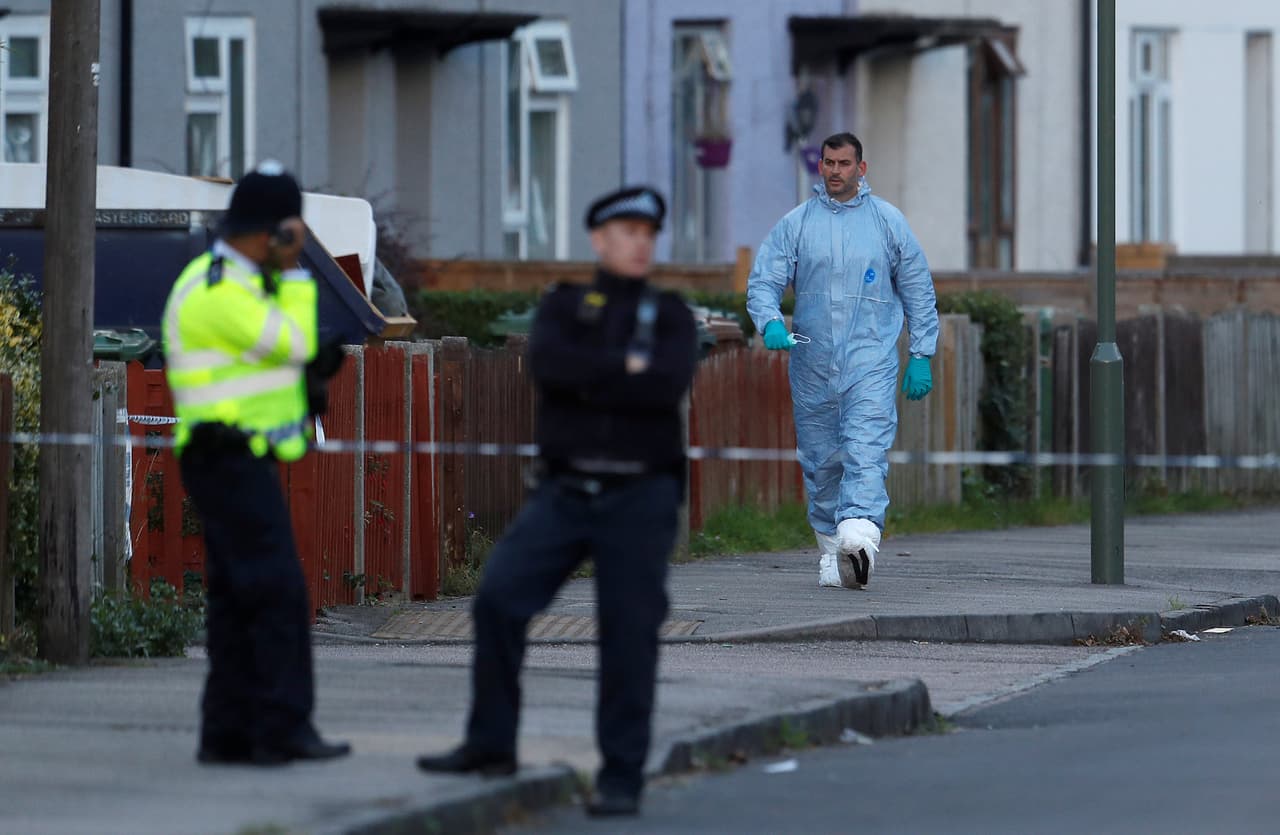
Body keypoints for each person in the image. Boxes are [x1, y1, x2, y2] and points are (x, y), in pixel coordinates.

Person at [416, 186, 697, 818]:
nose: (640, 242)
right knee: (497, 600)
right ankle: (491, 744)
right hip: (565, 492)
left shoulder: (671, 315)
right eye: (627, 231)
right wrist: (622, 368)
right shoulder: (565, 305)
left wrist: (601, 375)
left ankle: (621, 775)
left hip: (640, 496)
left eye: (648, 233)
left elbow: (663, 385)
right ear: (599, 239)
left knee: (629, 633)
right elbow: (550, 367)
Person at [163, 161, 350, 766]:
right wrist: (295, 273)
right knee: (276, 593)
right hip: (227, 456)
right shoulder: (221, 289)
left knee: (238, 596)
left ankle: (227, 732)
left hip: (235, 456)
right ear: (271, 232)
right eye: (291, 231)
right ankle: (280, 727)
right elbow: (294, 343)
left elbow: (279, 363)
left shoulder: (232, 283)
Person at [747, 132, 938, 590]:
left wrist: (921, 353)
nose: (835, 171)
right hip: (811, 362)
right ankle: (837, 555)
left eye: (844, 163)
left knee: (864, 449)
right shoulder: (797, 224)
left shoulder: (888, 224)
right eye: (828, 163)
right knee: (820, 462)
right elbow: (764, 280)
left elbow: (918, 290)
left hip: (869, 360)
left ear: (861, 168)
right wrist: (770, 321)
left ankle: (860, 531)